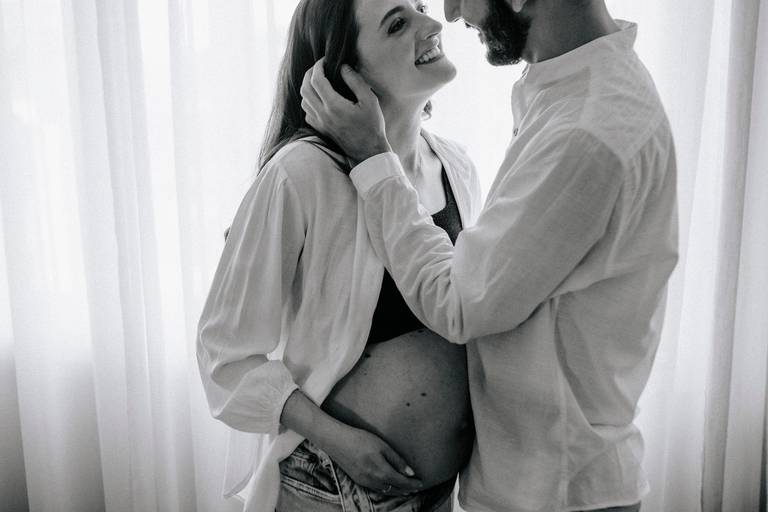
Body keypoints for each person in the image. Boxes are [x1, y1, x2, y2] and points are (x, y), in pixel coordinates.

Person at [299, 0, 679, 511]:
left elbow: (458, 303)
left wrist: (373, 159)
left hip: (552, 491)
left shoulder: (585, 131)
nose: (451, 12)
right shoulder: (573, 98)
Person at [196, 0, 484, 511]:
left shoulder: (455, 165)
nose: (433, 23)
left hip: (439, 494)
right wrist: (339, 439)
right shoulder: (302, 173)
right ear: (345, 76)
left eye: (420, 7)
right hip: (332, 489)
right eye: (398, 24)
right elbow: (225, 353)